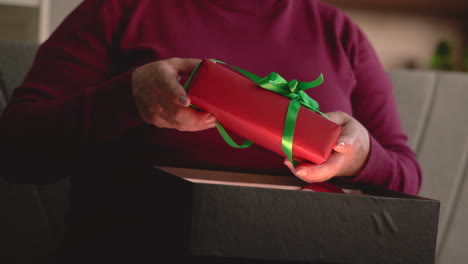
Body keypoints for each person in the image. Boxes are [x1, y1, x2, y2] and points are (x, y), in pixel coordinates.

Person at [0, 0, 422, 262]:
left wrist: (362, 154)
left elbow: (406, 177)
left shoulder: (339, 32)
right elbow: (16, 148)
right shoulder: (119, 10)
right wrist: (127, 98)